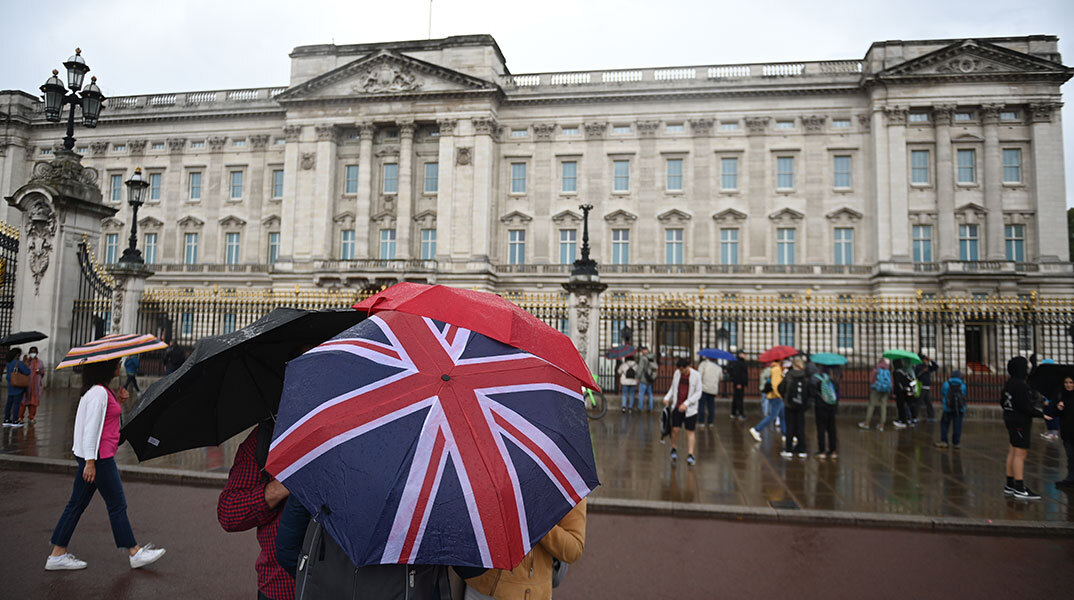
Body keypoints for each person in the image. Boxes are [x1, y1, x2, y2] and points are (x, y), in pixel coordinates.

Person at [44, 357, 166, 571]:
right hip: (98, 458)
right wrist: (90, 462)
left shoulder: (100, 391)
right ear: (107, 367)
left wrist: (118, 402)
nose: (119, 366)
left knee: (76, 505)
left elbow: (105, 421)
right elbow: (91, 429)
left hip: (94, 457)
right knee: (117, 505)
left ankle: (57, 553)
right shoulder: (99, 393)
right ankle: (134, 551)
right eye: (116, 363)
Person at [219, 421, 295, 600]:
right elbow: (228, 512)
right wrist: (279, 487)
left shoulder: (359, 428)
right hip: (282, 585)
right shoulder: (266, 437)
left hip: (348, 582)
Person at [465, 499, 587, 600]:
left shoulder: (570, 481)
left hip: (528, 593)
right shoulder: (500, 470)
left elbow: (573, 549)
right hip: (480, 585)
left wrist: (534, 518)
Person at [1001, 356, 1050, 500]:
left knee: (1012, 451)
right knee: (1020, 454)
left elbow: (1002, 401)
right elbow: (1025, 407)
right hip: (1020, 423)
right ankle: (1020, 487)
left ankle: (1010, 484)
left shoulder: (1009, 383)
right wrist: (1042, 415)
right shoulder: (1021, 385)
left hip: (1010, 419)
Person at [663, 358, 701, 465]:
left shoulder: (696, 375)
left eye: (683, 370)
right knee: (675, 429)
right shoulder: (677, 373)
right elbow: (673, 387)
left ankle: (691, 454)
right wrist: (667, 397)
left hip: (690, 409)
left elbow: (698, 393)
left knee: (690, 431)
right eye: (680, 370)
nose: (682, 372)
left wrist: (687, 403)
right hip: (677, 406)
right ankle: (674, 448)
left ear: (688, 366)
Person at [778, 356, 810, 459]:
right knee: (800, 427)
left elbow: (781, 388)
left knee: (790, 427)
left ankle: (788, 450)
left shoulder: (789, 374)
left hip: (789, 405)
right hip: (801, 406)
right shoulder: (805, 375)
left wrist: (785, 398)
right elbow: (809, 392)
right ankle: (802, 450)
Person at [748, 360, 784, 443]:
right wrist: (779, 395)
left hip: (775, 396)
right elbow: (775, 384)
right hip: (775, 396)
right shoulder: (777, 369)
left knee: (783, 416)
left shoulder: (775, 368)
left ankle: (786, 434)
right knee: (773, 416)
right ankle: (756, 429)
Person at [812, 365, 839, 460]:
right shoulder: (833, 382)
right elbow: (837, 396)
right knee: (832, 429)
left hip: (821, 408)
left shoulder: (817, 380)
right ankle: (833, 450)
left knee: (821, 429)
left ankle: (822, 450)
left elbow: (813, 393)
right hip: (832, 408)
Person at [936, 370, 968, 449]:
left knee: (944, 424)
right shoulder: (963, 385)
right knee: (957, 425)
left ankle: (944, 441)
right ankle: (956, 442)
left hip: (948, 408)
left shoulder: (946, 384)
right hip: (959, 408)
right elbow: (964, 394)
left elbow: (943, 393)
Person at [859, 358, 891, 431]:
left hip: (876, 389)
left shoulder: (876, 370)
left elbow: (871, 380)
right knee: (883, 406)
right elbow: (890, 382)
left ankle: (867, 423)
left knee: (871, 405)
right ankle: (882, 425)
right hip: (886, 390)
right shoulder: (888, 371)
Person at [1054, 376, 1074, 488]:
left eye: (1071, 382)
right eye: (1066, 382)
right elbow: (1056, 413)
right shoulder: (1061, 396)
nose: (1068, 385)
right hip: (1067, 431)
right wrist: (1058, 408)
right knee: (1070, 456)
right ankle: (1071, 477)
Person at [18, 346, 46, 425]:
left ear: (37, 353)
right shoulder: (25, 361)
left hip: (35, 384)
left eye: (34, 352)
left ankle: (31, 417)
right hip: (26, 384)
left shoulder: (40, 362)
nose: (33, 353)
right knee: (23, 401)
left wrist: (39, 372)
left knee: (34, 402)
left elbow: (43, 372)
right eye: (31, 352)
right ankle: (20, 417)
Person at [4, 348, 30, 428]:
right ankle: (15, 420)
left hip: (10, 386)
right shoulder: (19, 363)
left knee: (9, 403)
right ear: (17, 355)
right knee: (16, 404)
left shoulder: (8, 363)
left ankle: (6, 419)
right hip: (18, 386)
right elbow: (27, 372)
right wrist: (26, 364)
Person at [697, 355, 721, 428]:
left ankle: (701, 421)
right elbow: (720, 377)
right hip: (713, 389)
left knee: (702, 405)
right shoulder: (718, 367)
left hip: (703, 388)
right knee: (711, 405)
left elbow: (699, 375)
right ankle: (710, 422)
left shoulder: (703, 364)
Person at [891, 359, 916, 429]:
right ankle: (910, 420)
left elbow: (898, 383)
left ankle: (902, 421)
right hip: (908, 390)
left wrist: (897, 391)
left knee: (901, 406)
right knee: (907, 406)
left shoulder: (896, 372)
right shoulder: (904, 371)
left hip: (901, 392)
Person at [914, 353, 939, 421]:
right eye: (925, 359)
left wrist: (931, 360)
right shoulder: (918, 367)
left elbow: (936, 367)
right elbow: (917, 376)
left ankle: (931, 416)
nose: (926, 361)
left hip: (927, 387)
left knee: (929, 403)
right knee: (918, 403)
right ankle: (915, 417)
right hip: (921, 386)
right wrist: (922, 371)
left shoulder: (927, 366)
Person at [727, 350, 748, 420]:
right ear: (740, 354)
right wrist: (738, 383)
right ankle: (740, 413)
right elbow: (737, 373)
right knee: (739, 399)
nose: (745, 355)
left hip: (739, 383)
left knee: (736, 398)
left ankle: (734, 413)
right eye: (744, 354)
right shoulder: (738, 362)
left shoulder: (740, 362)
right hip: (739, 383)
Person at [635, 346, 655, 413]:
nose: (641, 351)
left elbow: (640, 368)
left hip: (643, 378)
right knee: (650, 394)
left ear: (644, 351)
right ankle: (651, 408)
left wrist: (637, 377)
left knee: (641, 394)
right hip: (650, 378)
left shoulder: (643, 358)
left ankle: (640, 408)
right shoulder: (652, 357)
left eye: (642, 350)